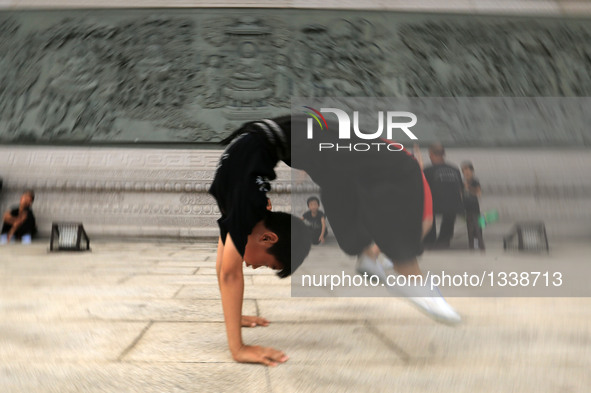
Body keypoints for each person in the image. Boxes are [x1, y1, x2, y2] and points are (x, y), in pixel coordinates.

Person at [210, 116, 460, 368]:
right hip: (300, 140)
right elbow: (225, 270)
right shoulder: (240, 202)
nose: (252, 267)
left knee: (402, 164)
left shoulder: (241, 202)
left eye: (267, 265)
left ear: (267, 237)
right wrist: (235, 323)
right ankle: (368, 254)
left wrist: (238, 348)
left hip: (311, 136)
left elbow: (227, 272)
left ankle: (408, 274)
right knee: (341, 180)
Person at [423, 143, 464, 249]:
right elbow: (460, 190)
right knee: (451, 208)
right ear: (443, 154)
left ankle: (429, 239)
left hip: (435, 205)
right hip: (456, 205)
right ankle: (444, 239)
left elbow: (422, 190)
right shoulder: (455, 169)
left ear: (431, 154)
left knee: (426, 208)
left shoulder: (427, 170)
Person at [461, 161, 485, 251]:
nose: (466, 172)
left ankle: (478, 242)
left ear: (472, 171)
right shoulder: (462, 181)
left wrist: (469, 187)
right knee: (469, 225)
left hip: (474, 205)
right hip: (466, 205)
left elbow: (478, 192)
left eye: (467, 170)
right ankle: (471, 243)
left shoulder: (475, 181)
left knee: (477, 225)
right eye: (464, 170)